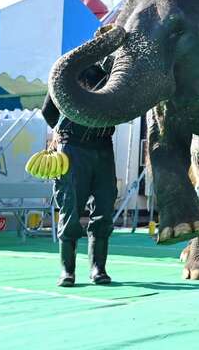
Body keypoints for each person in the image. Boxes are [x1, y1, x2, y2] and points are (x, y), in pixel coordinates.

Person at [41, 62, 117, 287]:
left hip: (103, 147)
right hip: (73, 149)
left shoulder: (112, 75)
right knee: (70, 206)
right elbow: (48, 111)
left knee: (104, 206)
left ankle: (98, 269)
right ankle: (68, 270)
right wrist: (66, 130)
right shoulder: (67, 72)